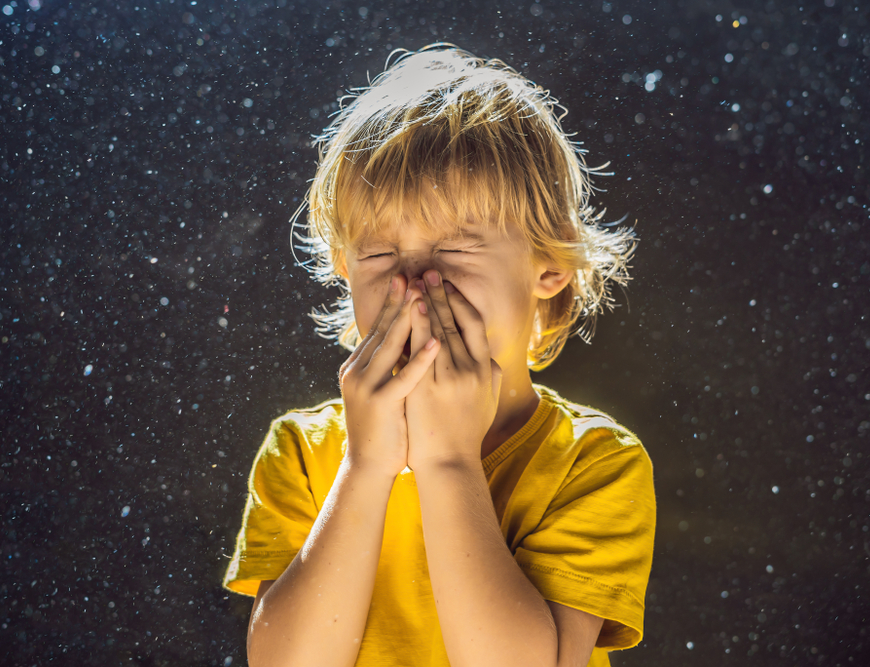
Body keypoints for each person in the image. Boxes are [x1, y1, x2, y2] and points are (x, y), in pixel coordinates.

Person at [223, 44, 656, 667]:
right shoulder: (301, 451)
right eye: (378, 255)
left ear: (551, 267)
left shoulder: (594, 464)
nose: (418, 280)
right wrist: (367, 466)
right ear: (344, 271)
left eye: (457, 247)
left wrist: (449, 460)